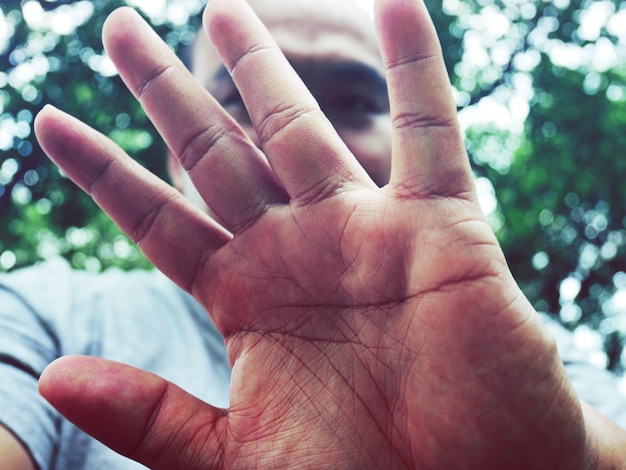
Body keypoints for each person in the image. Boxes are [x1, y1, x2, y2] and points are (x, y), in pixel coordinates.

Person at [1, 0, 626, 468]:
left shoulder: (524, 352)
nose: (296, 131)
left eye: (353, 100)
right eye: (242, 101)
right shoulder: (49, 315)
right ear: (174, 156)